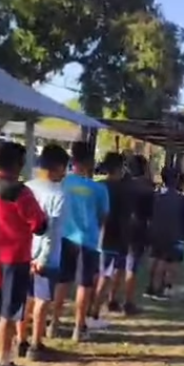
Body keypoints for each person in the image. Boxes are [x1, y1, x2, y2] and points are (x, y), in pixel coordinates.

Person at [0, 141, 47, 366]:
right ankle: (4, 362)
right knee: (8, 312)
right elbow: (39, 225)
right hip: (15, 259)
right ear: (18, 165)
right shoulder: (20, 192)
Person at [51, 141, 109, 342]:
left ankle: (54, 323)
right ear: (90, 161)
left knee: (62, 281)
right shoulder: (99, 189)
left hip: (65, 238)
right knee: (84, 284)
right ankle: (78, 328)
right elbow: (103, 217)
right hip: (88, 240)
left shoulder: (64, 183)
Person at [17, 144, 69, 361]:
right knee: (42, 300)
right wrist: (43, 258)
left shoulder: (26, 188)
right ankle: (36, 344)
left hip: (24, 251)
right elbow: (52, 230)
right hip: (46, 256)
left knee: (25, 298)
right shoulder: (58, 194)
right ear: (58, 167)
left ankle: (21, 340)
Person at [108, 154, 154, 313]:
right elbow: (150, 215)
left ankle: (112, 299)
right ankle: (128, 302)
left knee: (118, 266)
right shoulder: (147, 188)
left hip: (121, 229)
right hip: (138, 230)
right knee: (131, 268)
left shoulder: (121, 185)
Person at [89, 151, 131, 323]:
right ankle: (94, 312)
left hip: (95, 235)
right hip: (114, 237)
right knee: (105, 276)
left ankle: (89, 307)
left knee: (95, 275)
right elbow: (127, 215)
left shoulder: (97, 186)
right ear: (120, 168)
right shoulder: (124, 189)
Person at [145, 166, 184, 301]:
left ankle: (151, 286)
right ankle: (160, 288)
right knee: (167, 262)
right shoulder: (182, 199)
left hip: (155, 232)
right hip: (173, 234)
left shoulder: (156, 196)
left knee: (154, 258)